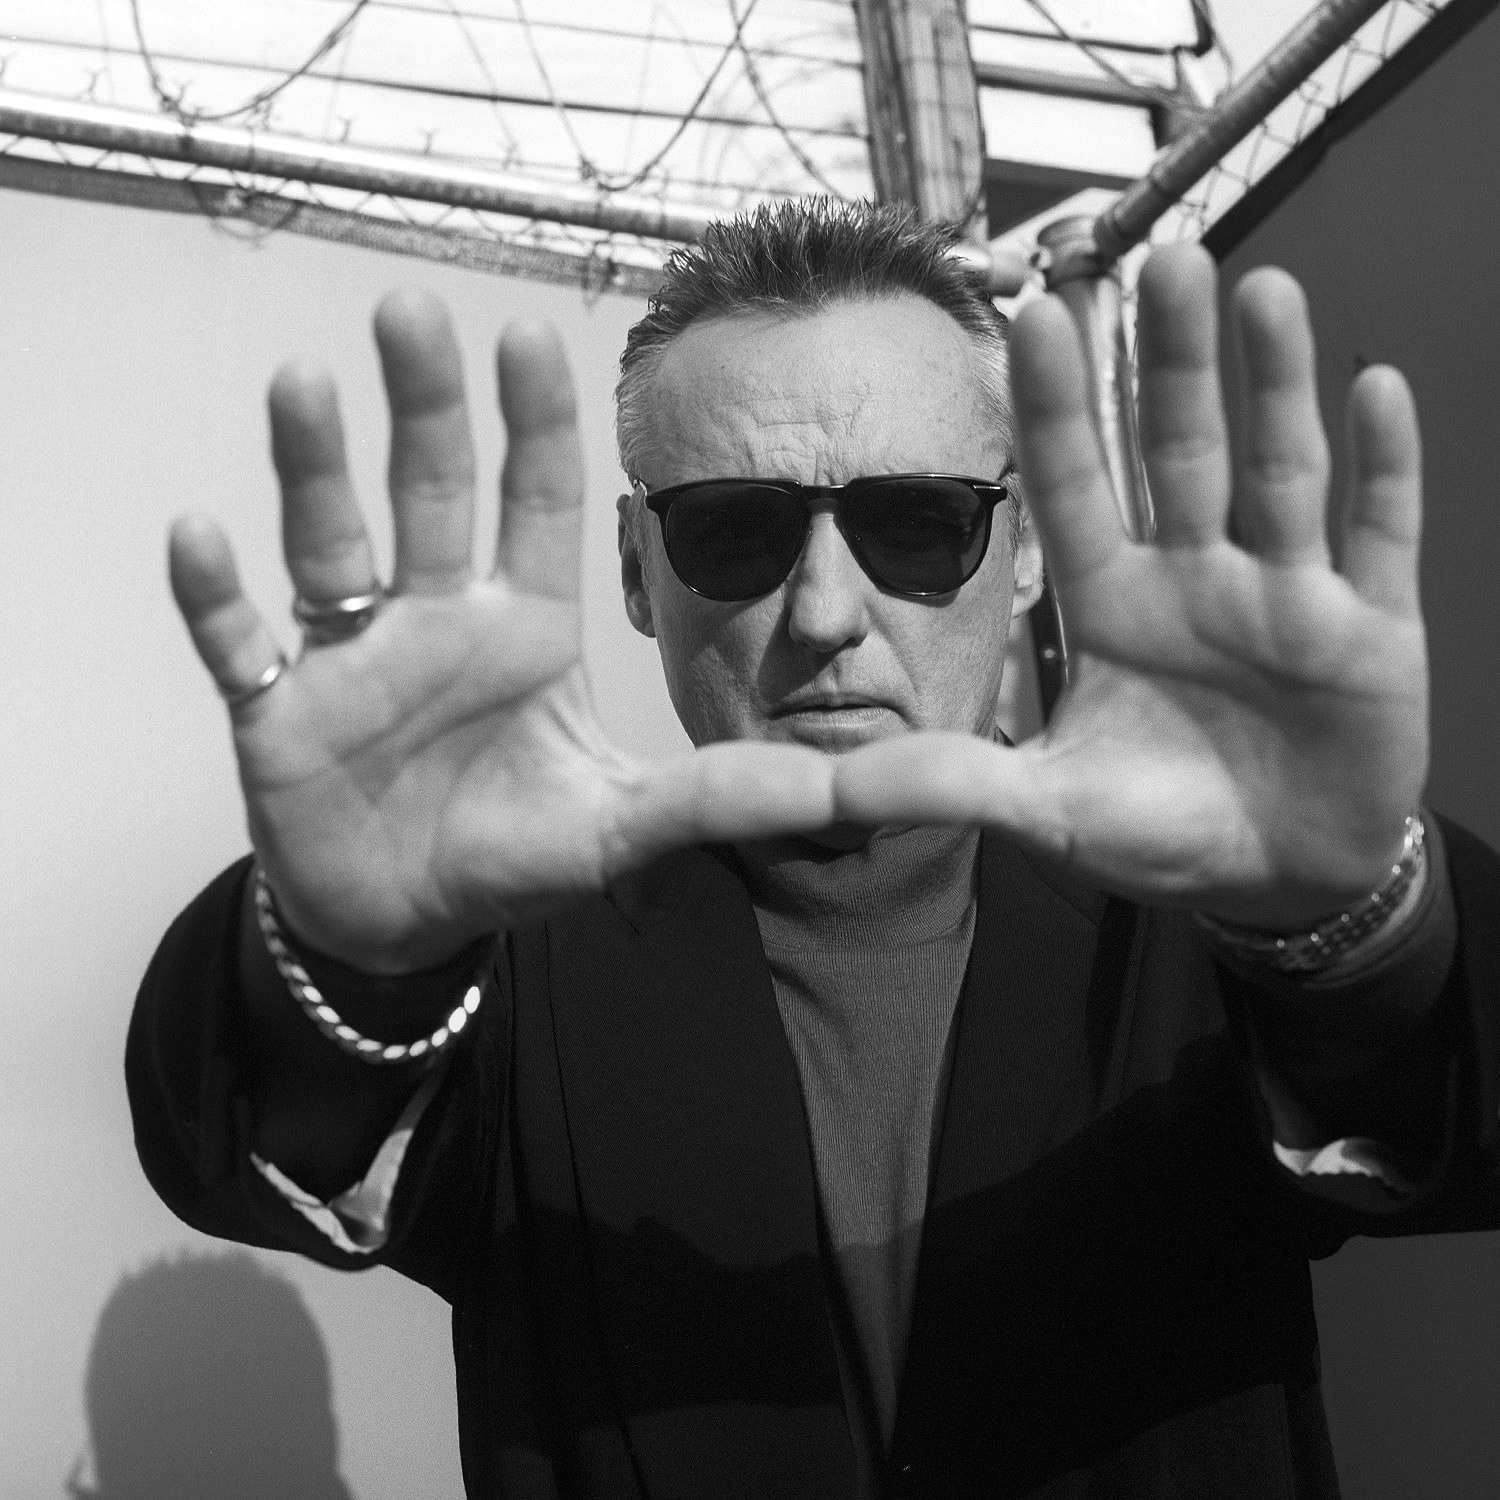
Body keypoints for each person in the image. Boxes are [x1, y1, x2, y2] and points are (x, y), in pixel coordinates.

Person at [129, 199, 1500, 1499]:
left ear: (1021, 551)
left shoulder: (1204, 912)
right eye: (736, 529)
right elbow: (238, 1140)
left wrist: (1356, 929)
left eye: (918, 522)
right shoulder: (515, 960)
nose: (827, 611)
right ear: (637, 569)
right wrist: (359, 959)